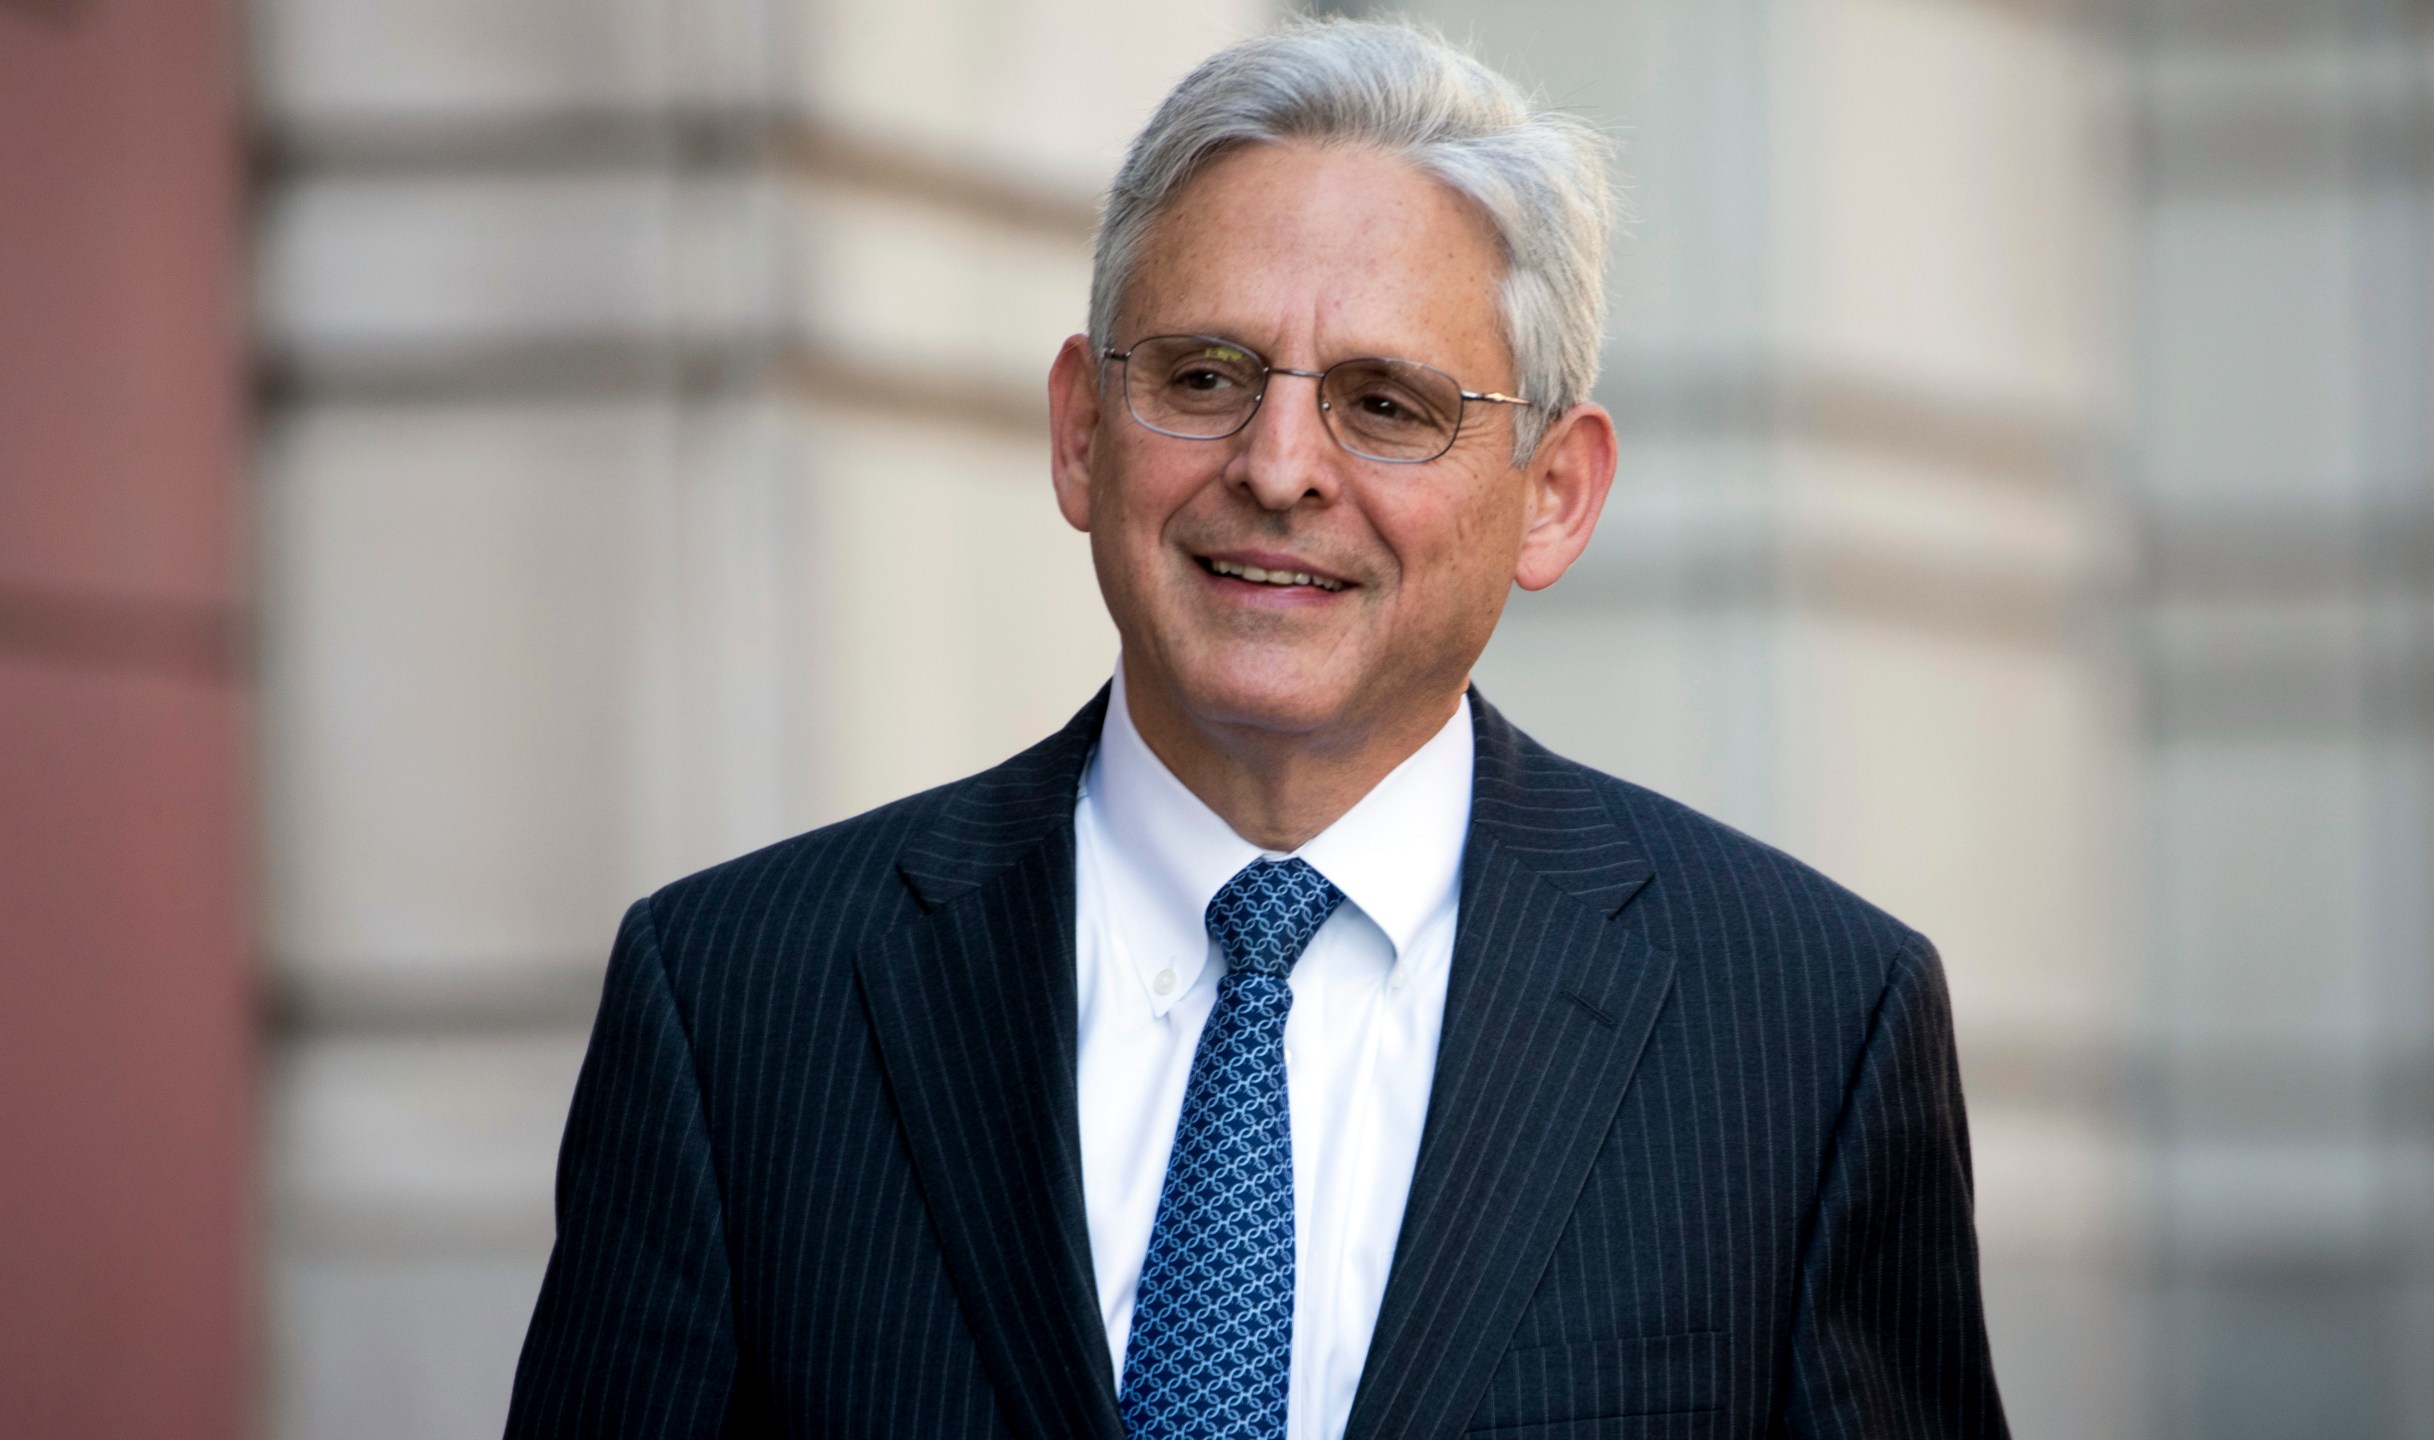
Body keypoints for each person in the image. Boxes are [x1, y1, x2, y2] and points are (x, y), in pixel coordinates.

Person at [506, 19, 2007, 1440]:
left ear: (1554, 494)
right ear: (1082, 433)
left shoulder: (1805, 1030)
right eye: (1206, 377)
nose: (1279, 467)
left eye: (1385, 403)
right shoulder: (738, 1003)